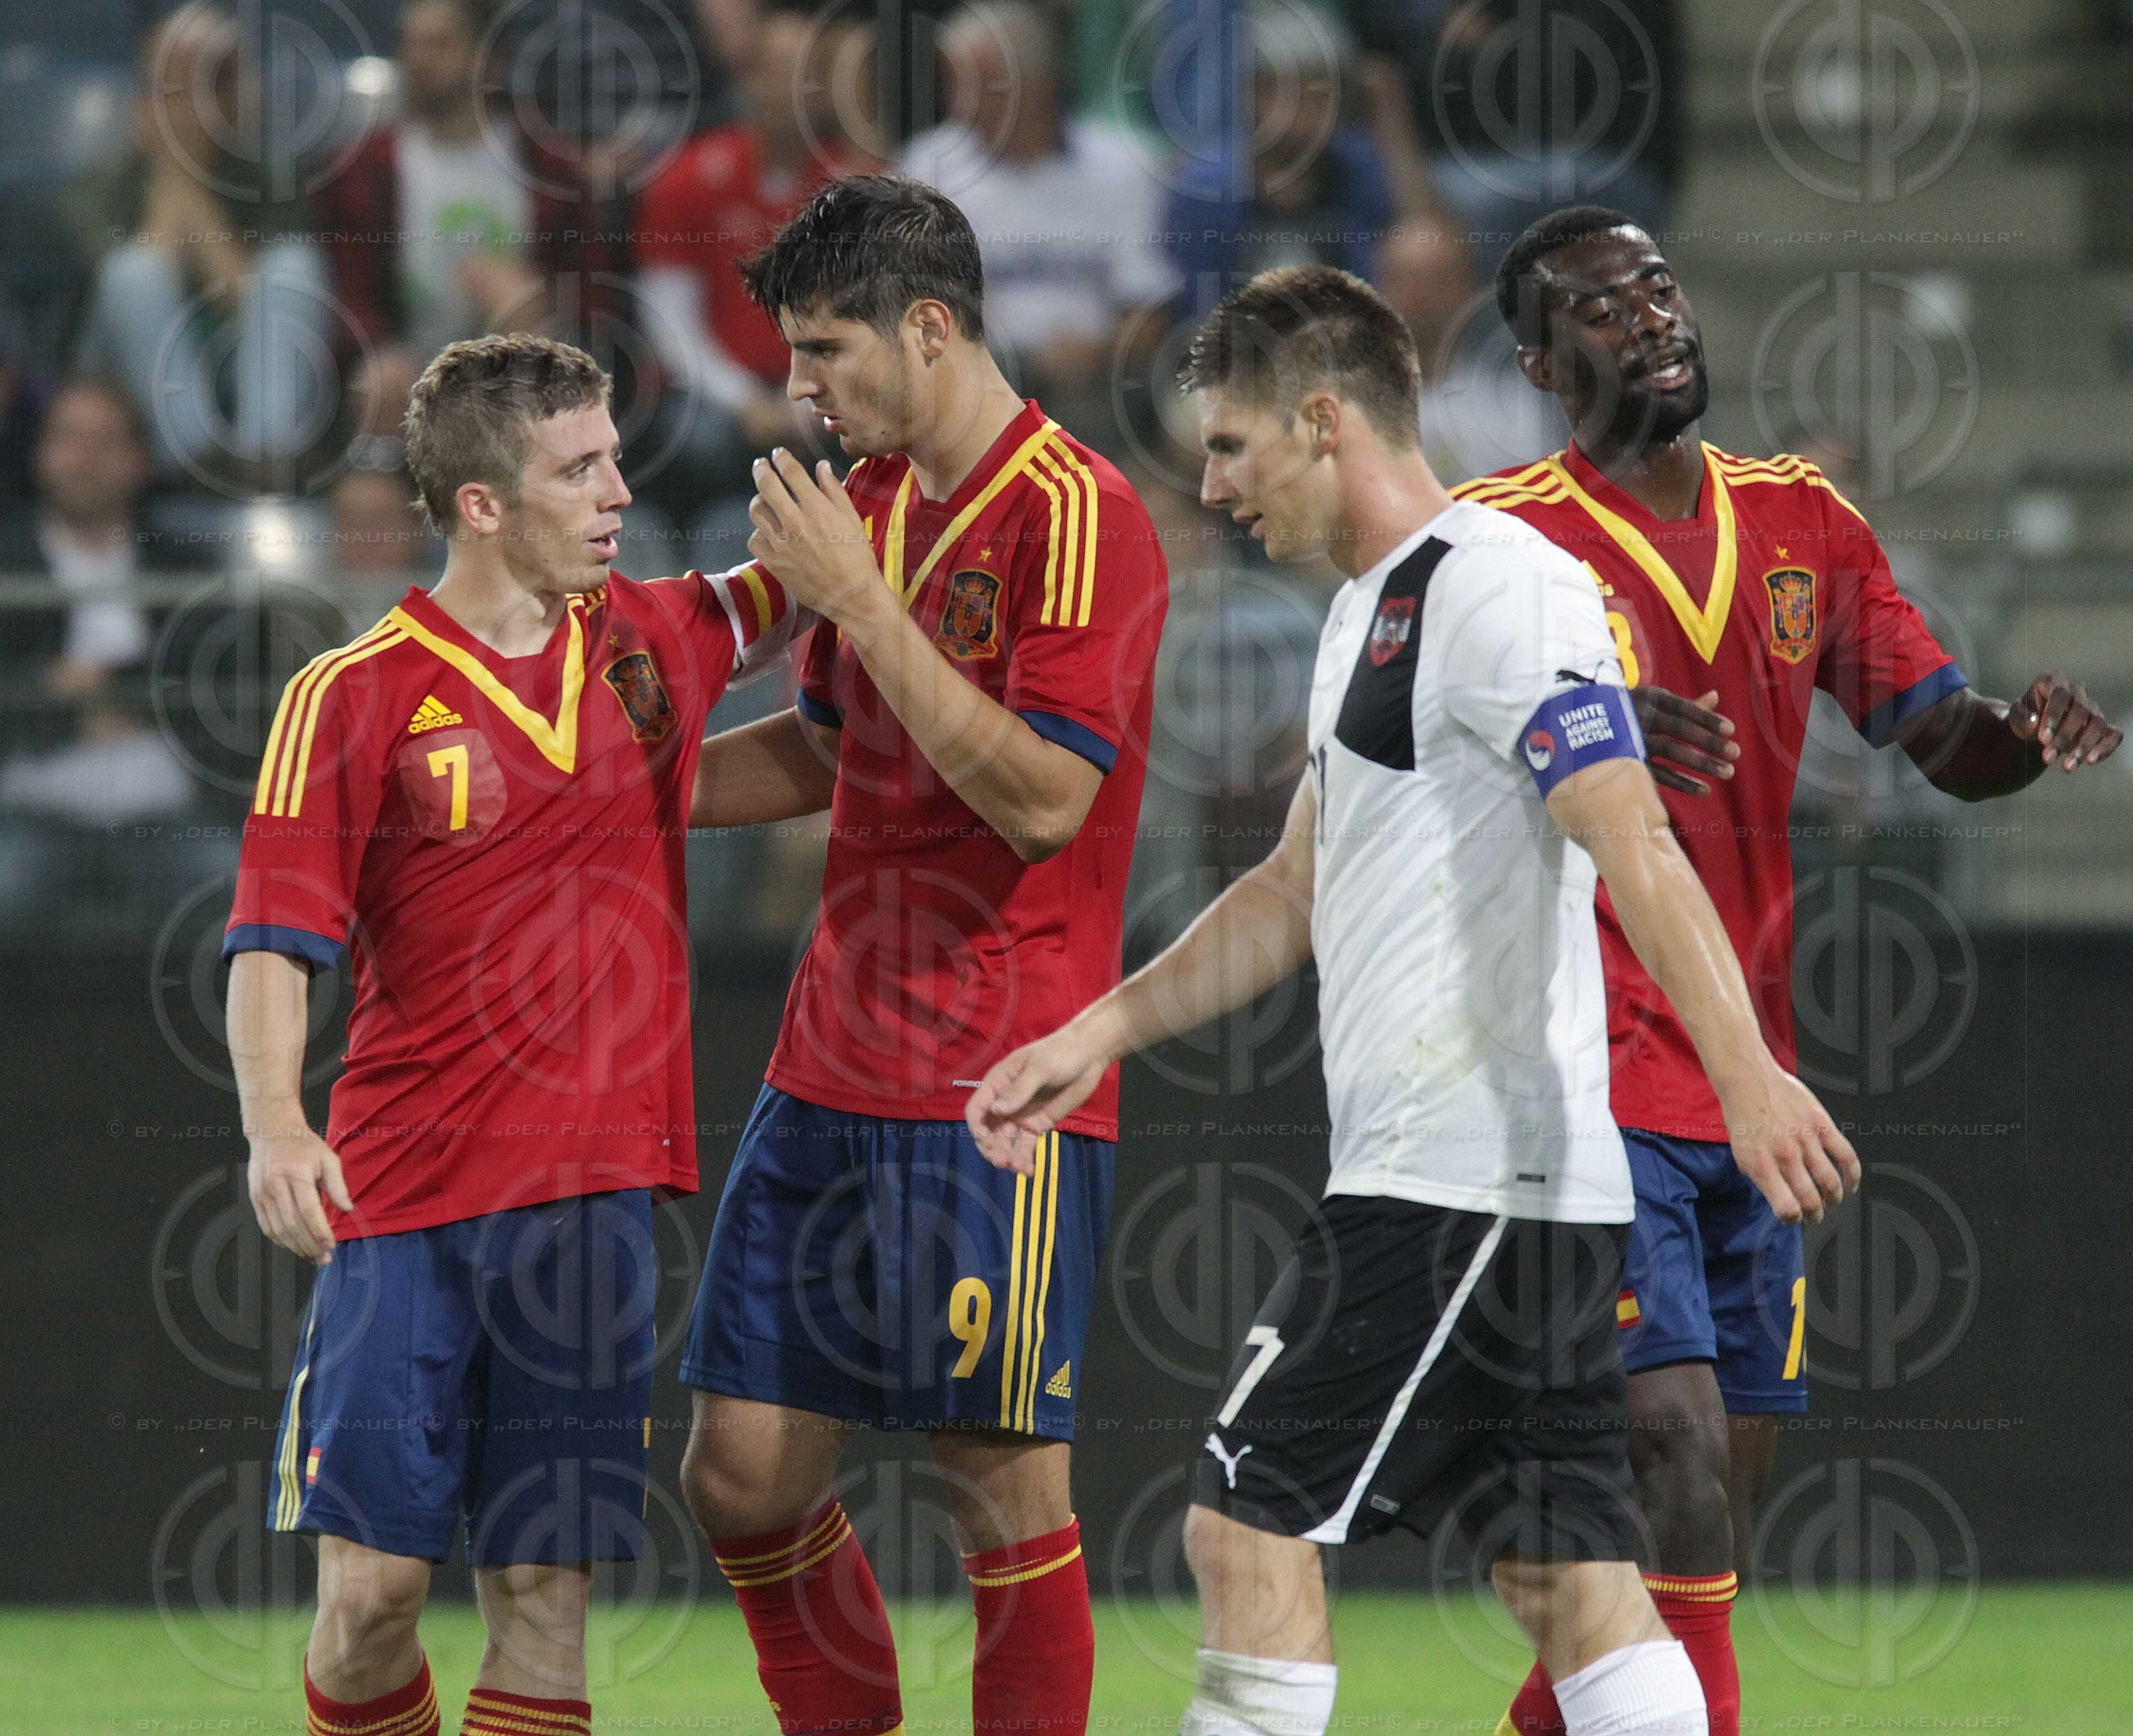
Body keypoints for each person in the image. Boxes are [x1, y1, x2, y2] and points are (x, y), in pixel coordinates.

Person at [966, 264, 1861, 1736]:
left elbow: (1631, 831)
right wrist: (1095, 1031)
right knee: (1569, 1582)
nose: (1215, 484)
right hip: (1504, 1189)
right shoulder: (1367, 617)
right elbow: (1289, 891)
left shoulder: (1499, 586)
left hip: (1457, 1186)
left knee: (1243, 1528)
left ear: (1325, 421)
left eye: (1234, 445)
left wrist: (1749, 1078)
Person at [1460, 206, 2123, 1736]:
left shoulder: (1806, 524)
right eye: (1608, 310)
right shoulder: (1495, 538)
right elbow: (1427, 763)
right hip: (1580, 1070)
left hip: (1749, 1084)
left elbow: (1935, 733)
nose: (1656, 319)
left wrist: (2017, 745)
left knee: (1704, 1541)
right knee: (1674, 1464)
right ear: (1542, 363)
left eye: (1662, 290)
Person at [222, 332, 805, 1736]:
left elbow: (814, 583)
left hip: (593, 1201)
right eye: (579, 468)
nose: (618, 491)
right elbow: (273, 937)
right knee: (370, 1599)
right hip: (406, 1197)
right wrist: (276, 1124)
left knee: (543, 1597)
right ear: (482, 504)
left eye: (613, 457)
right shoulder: (352, 695)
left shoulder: (656, 639)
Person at [675, 174, 1167, 1736]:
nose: (800, 387)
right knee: (741, 1476)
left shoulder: (1077, 515)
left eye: (825, 351)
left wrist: (866, 606)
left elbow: (1041, 800)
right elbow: (831, 748)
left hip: (998, 1072)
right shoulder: (877, 504)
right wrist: (609, 786)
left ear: (933, 328)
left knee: (996, 1487)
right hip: (831, 1054)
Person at [633, 0, 875, 547]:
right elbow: (670, 323)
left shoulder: (863, 190)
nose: (791, 89)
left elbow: (870, 323)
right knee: (691, 436)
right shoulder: (686, 177)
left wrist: (807, 400)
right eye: (776, 70)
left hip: (825, 396)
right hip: (720, 396)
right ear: (750, 74)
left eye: (806, 74)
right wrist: (746, 401)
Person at [68, 3, 334, 489]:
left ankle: (264, 458)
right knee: (134, 274)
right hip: (122, 382)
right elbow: (108, 300)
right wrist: (173, 177)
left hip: (236, 374)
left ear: (231, 99)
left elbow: (244, 299)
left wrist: (195, 195)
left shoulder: (266, 182)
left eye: (201, 88)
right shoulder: (101, 186)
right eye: (166, 90)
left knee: (293, 266)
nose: (184, 109)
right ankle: (194, 465)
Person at [899, 0, 1181, 449]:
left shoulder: (1121, 166)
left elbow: (1149, 309)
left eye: (979, 84)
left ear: (1035, 85)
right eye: (952, 83)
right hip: (977, 375)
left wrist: (1102, 351)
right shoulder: (930, 167)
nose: (960, 103)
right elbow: (913, 299)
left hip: (1097, 382)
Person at [0, 378, 207, 820]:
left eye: (105, 441)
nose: (86, 459)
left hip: (169, 813)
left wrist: (98, 685)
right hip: (26, 811)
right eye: (70, 438)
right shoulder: (8, 565)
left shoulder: (185, 567)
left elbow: (211, 681)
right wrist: (82, 715)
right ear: (39, 453)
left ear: (140, 458)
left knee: (233, 876)